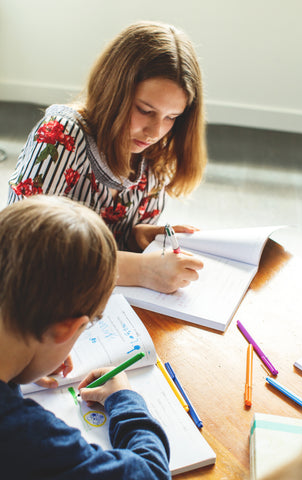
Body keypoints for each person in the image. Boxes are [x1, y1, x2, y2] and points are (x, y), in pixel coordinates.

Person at [8, 21, 206, 294]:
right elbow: (23, 248)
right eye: (144, 110)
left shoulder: (154, 155)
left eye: (172, 117)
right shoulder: (60, 136)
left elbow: (115, 247)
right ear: (114, 90)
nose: (154, 132)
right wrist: (143, 269)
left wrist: (138, 238)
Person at [0, 195, 170, 480]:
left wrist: (22, 364)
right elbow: (149, 474)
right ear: (66, 329)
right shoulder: (27, 437)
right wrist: (125, 401)